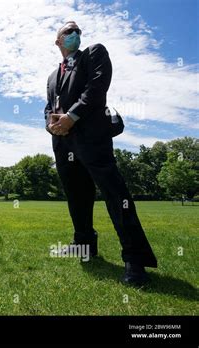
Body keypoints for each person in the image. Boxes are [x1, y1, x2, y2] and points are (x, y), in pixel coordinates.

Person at [44, 21, 157, 286]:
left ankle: (135, 259)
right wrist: (52, 126)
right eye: (68, 31)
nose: (75, 34)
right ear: (57, 40)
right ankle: (84, 245)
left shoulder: (94, 53)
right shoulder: (52, 76)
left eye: (77, 31)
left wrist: (71, 117)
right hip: (63, 142)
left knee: (116, 195)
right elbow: (49, 105)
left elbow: (96, 90)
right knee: (76, 196)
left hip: (91, 138)